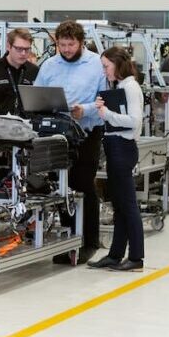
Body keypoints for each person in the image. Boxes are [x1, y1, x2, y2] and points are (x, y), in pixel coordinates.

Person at [35, 20, 106, 264]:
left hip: (87, 132)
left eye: (70, 44)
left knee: (83, 184)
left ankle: (89, 242)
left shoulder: (96, 64)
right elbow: (37, 95)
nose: (66, 49)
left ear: (81, 42)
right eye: (62, 44)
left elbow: (103, 99)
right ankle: (68, 240)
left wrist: (83, 110)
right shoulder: (49, 66)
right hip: (58, 134)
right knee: (61, 187)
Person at [88, 46, 145, 272]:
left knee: (128, 206)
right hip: (114, 146)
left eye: (106, 66)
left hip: (123, 147)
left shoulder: (130, 87)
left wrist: (107, 115)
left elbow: (134, 121)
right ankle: (115, 255)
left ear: (117, 63)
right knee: (120, 206)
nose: (104, 71)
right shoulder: (120, 86)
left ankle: (137, 258)